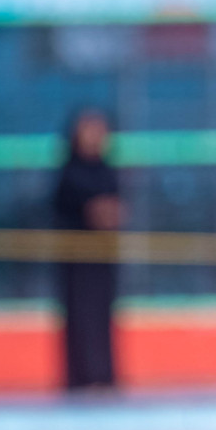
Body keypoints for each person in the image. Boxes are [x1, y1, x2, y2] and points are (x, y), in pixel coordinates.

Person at [52, 109, 121, 392]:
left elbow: (113, 213)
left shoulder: (107, 171)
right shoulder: (69, 173)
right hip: (76, 262)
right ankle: (82, 378)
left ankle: (104, 377)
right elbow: (91, 211)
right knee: (80, 319)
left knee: (104, 319)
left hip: (103, 259)